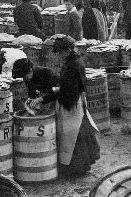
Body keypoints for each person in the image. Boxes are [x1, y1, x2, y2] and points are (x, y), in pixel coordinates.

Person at [30, 36, 99, 176]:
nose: (60, 56)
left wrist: (46, 97)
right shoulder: (72, 61)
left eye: (61, 52)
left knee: (73, 137)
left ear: (68, 50)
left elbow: (69, 88)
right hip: (71, 101)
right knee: (73, 136)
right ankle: (76, 167)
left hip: (71, 104)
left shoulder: (74, 64)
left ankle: (76, 169)